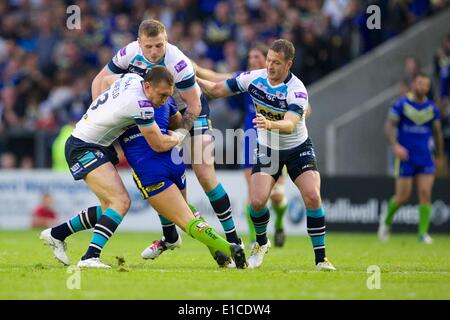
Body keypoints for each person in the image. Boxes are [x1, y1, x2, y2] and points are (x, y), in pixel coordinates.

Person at [91, 19, 242, 248]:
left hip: (191, 111)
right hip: (159, 108)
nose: (154, 52)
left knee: (204, 174)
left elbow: (194, 105)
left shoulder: (178, 62)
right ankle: (172, 236)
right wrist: (99, 114)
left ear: (166, 41)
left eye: (159, 46)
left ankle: (233, 238)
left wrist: (180, 134)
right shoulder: (129, 52)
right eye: (149, 46)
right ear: (139, 43)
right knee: (155, 168)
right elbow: (100, 81)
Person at [197, 39, 336, 271]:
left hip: (297, 148)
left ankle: (321, 259)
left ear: (288, 64)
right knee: (257, 202)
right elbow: (215, 89)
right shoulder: (255, 78)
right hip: (268, 148)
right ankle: (261, 244)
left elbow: (291, 123)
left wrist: (270, 124)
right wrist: (191, 79)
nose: (270, 66)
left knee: (312, 196)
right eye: (269, 60)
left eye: (276, 63)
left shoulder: (297, 89)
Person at [40, 67, 182, 268]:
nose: (165, 101)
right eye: (162, 95)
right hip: (84, 146)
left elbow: (106, 81)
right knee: (120, 201)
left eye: (169, 95)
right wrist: (178, 136)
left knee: (110, 207)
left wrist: (101, 112)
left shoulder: (132, 78)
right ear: (148, 86)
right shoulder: (141, 104)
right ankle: (90, 257)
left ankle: (57, 234)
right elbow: (158, 144)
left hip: (91, 142)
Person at [116, 84, 246, 268]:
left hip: (152, 167)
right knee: (183, 206)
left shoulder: (131, 102)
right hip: (174, 161)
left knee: (185, 217)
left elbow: (157, 143)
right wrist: (177, 138)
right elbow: (177, 124)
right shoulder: (168, 101)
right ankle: (172, 237)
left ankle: (228, 246)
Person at [194, 45, 290, 248]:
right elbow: (216, 76)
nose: (252, 60)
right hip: (250, 136)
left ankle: (279, 224)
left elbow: (303, 105)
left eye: (257, 56)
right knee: (253, 193)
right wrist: (192, 67)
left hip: (275, 138)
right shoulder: (247, 77)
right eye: (250, 56)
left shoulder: (282, 81)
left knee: (277, 196)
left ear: (267, 60)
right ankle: (255, 239)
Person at [378, 72, 445, 244]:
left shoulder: (432, 109)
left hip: (425, 158)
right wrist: (395, 146)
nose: (423, 87)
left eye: (426, 85)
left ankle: (423, 234)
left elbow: (437, 133)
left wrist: (439, 155)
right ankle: (386, 221)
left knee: (425, 193)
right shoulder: (401, 105)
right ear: (414, 84)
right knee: (402, 197)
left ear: (429, 88)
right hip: (406, 157)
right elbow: (388, 126)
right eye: (420, 83)